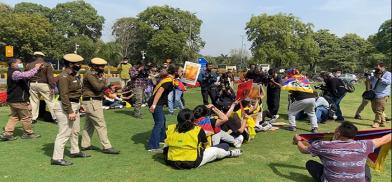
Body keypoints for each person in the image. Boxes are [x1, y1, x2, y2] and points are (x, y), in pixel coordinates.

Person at [293, 121, 392, 182]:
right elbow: (384, 139)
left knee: (310, 164)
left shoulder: (323, 145)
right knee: (365, 164)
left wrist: (298, 140)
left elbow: (303, 149)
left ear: (338, 133)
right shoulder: (364, 145)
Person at [163, 109, 242, 169]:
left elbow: (166, 146)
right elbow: (205, 146)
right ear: (193, 119)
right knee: (218, 149)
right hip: (192, 162)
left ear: (178, 119)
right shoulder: (197, 130)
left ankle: (230, 150)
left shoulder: (170, 128)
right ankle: (230, 153)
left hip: (172, 161)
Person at [51, 53, 90, 166]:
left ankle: (75, 151)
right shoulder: (64, 76)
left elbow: (76, 92)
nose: (80, 65)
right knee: (64, 133)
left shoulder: (74, 75)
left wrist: (79, 104)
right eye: (77, 63)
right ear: (70, 64)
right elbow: (64, 95)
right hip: (66, 106)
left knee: (75, 130)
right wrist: (70, 111)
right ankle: (57, 158)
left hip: (74, 105)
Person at [80, 58, 120, 154]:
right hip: (92, 101)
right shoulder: (90, 74)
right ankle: (106, 146)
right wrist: (104, 80)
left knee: (89, 125)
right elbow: (98, 87)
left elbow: (102, 87)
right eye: (101, 66)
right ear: (94, 66)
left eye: (103, 66)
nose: (103, 68)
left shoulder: (95, 74)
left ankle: (85, 144)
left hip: (91, 101)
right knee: (100, 124)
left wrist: (108, 87)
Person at [0, 58, 42, 141]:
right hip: (19, 99)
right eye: (19, 62)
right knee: (26, 117)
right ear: (13, 64)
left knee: (14, 117)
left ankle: (7, 133)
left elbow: (26, 75)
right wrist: (36, 67)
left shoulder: (12, 71)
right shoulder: (14, 72)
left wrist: (36, 70)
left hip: (13, 99)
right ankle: (28, 133)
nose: (21, 64)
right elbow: (27, 75)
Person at [147, 64, 177, 152]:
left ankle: (161, 139)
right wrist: (154, 105)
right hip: (156, 103)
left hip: (157, 103)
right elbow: (159, 92)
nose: (162, 69)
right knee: (159, 123)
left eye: (165, 68)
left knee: (162, 121)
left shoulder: (169, 79)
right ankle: (153, 146)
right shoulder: (168, 81)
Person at [26, 51, 56, 123]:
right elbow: (50, 77)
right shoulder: (47, 64)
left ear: (35, 56)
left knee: (34, 102)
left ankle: (33, 118)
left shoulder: (29, 65)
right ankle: (55, 118)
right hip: (44, 84)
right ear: (43, 57)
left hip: (33, 84)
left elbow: (27, 75)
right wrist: (52, 86)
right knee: (50, 101)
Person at [369, 63, 391, 128]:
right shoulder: (375, 73)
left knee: (379, 109)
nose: (376, 69)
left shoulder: (388, 74)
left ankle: (377, 122)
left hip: (382, 94)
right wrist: (369, 77)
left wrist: (381, 78)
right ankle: (383, 122)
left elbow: (389, 82)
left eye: (378, 68)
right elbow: (371, 82)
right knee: (374, 109)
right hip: (374, 94)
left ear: (382, 67)